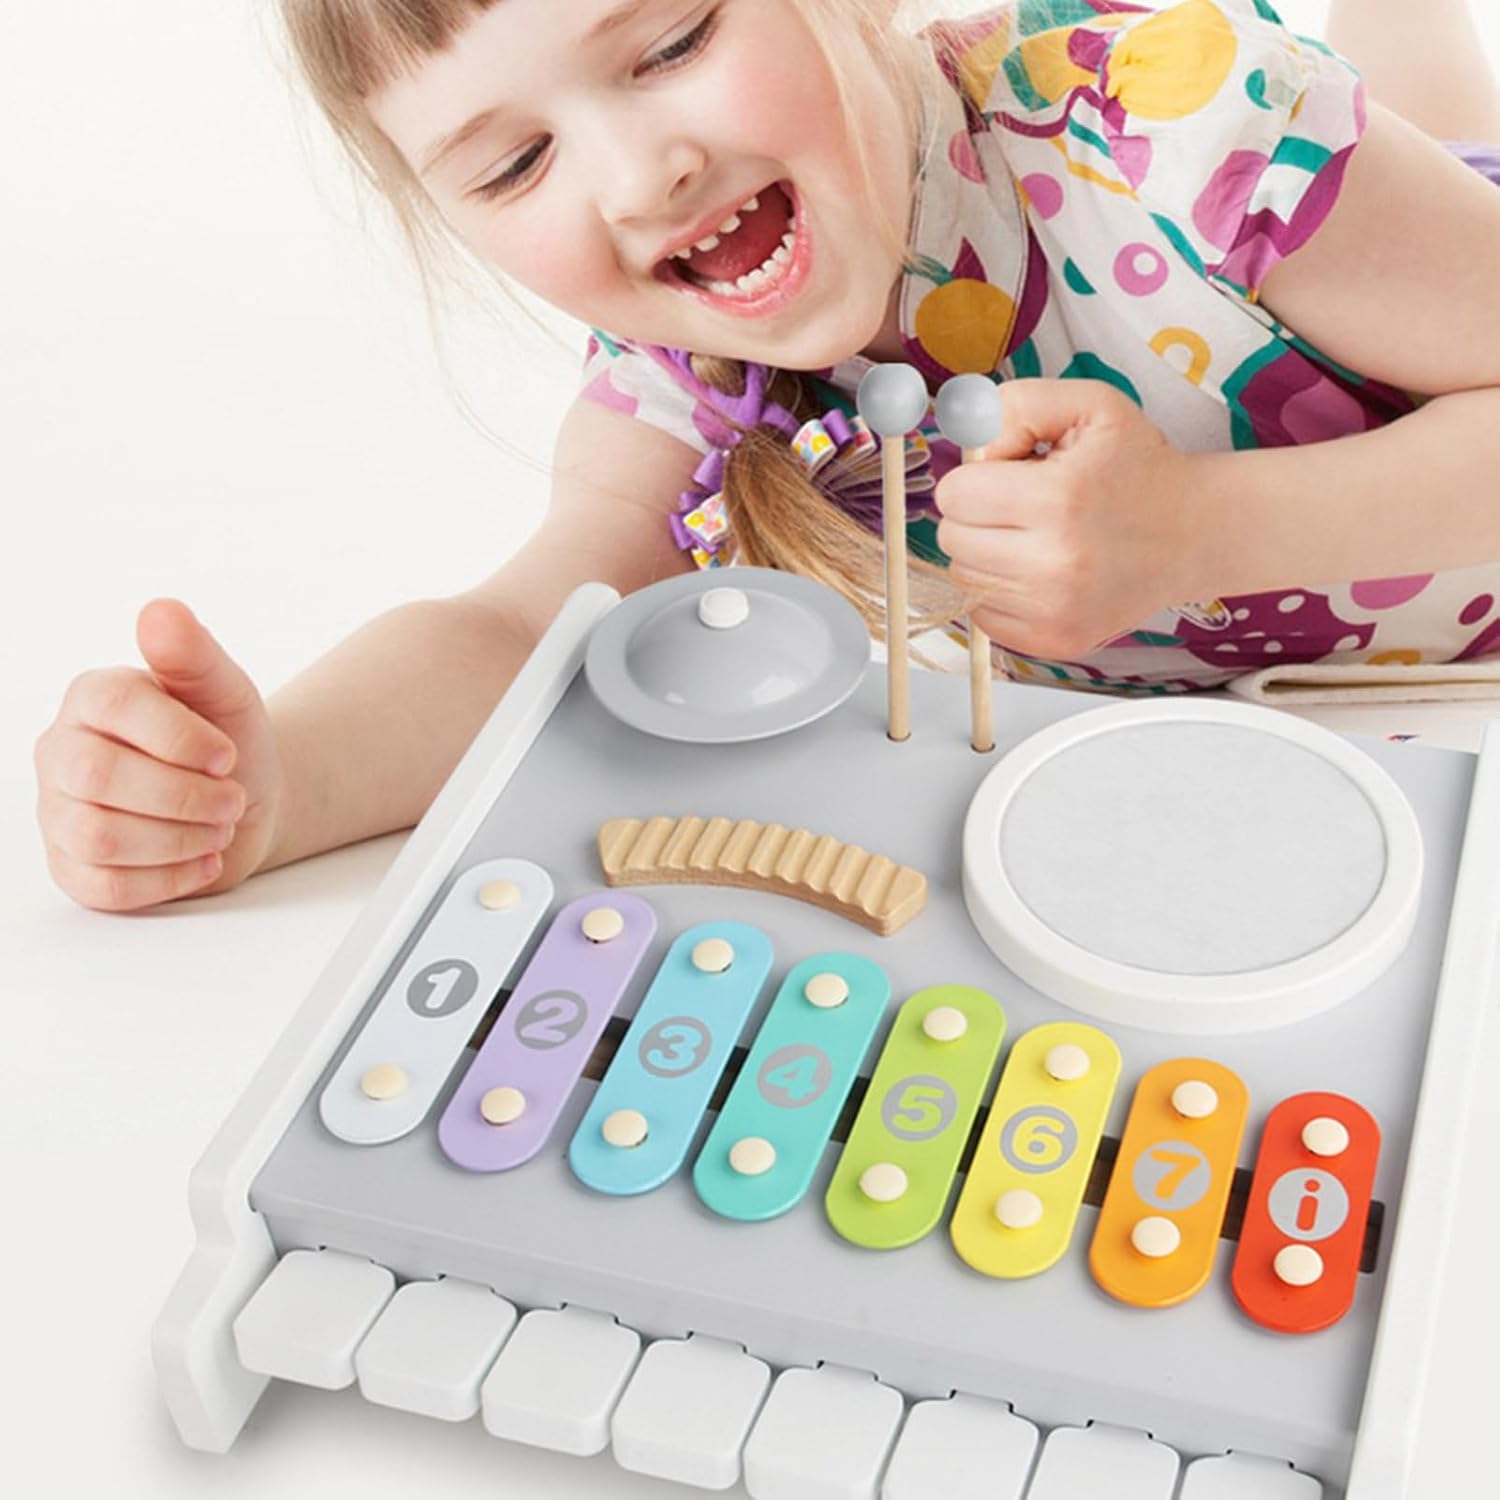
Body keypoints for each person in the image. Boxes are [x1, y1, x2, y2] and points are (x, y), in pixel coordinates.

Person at [32, 0, 1500, 912]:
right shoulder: (691, 383)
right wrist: (274, 784)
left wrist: (1204, 530)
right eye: (515, 164)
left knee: (1432, 122)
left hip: (1409, 293)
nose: (640, 175)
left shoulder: (1194, 137)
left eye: (674, 43)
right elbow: (518, 632)